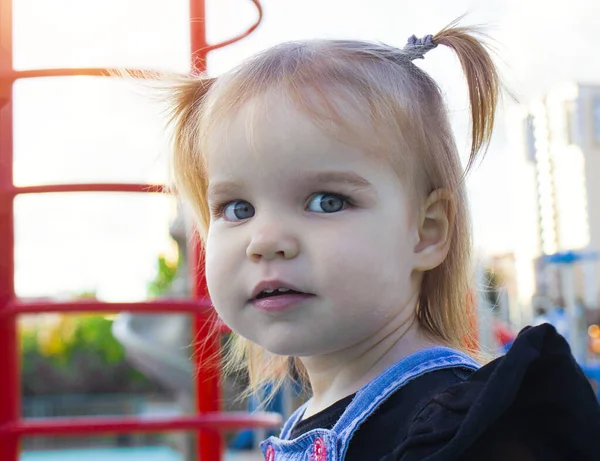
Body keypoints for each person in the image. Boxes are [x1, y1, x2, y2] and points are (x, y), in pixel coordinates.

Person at [163, 20, 600, 460]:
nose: (266, 240)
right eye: (237, 208)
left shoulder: (466, 432)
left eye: (326, 201)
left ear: (427, 232)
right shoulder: (314, 418)